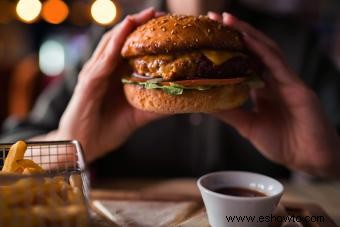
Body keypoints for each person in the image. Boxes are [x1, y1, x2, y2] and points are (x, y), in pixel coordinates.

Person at [1, 4, 340, 178]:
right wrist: (68, 146)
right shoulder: (109, 45)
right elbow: (8, 154)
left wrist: (331, 161)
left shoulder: (293, 45)